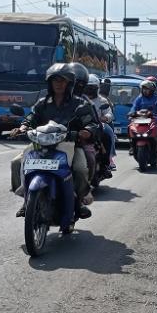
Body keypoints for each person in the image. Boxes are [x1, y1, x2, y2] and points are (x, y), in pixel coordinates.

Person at [10, 63, 99, 224]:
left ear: (69, 83)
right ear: (50, 83)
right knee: (16, 163)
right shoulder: (42, 103)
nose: (58, 84)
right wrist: (22, 128)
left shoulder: (79, 104)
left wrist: (87, 131)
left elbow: (91, 122)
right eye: (55, 80)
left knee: (80, 169)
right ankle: (26, 200)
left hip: (69, 144)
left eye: (62, 80)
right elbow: (31, 118)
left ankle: (79, 201)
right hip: (41, 144)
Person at [85, 74, 116, 174]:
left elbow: (109, 113)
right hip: (81, 125)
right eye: (87, 88)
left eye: (92, 88)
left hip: (98, 124)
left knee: (108, 133)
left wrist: (105, 117)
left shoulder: (102, 100)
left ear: (97, 88)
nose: (89, 90)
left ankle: (107, 162)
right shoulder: (79, 99)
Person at [129, 78, 157, 150]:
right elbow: (134, 106)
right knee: (130, 127)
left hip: (154, 118)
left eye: (147, 89)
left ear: (151, 90)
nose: (145, 91)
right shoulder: (139, 98)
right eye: (143, 89)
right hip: (140, 118)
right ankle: (132, 146)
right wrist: (131, 112)